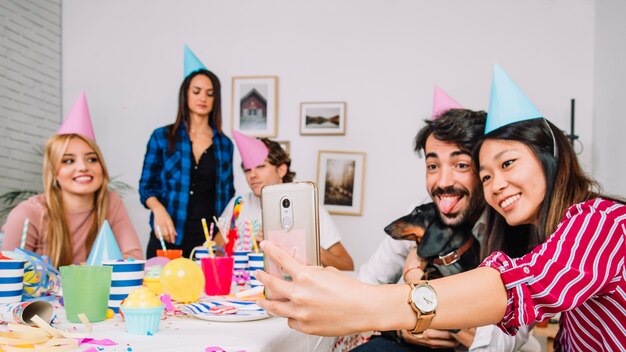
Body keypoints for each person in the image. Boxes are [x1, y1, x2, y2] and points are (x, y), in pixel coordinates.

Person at [255, 66, 625, 351]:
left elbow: (513, 289)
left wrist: (375, 303)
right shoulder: (424, 221)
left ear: (551, 160)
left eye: (507, 164)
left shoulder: (601, 222)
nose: (495, 184)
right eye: (486, 174)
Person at [356, 89, 537, 351]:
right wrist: (401, 329)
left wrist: (421, 300)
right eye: (432, 166)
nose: (442, 182)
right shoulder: (420, 218)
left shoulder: (517, 228)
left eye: (461, 165)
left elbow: (501, 342)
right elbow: (365, 286)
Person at [1, 92, 142, 267]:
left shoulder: (110, 202)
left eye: (92, 159)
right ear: (54, 172)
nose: (83, 167)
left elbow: (133, 257)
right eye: (68, 161)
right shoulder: (29, 213)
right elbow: (7, 272)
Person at [139, 48, 235, 258]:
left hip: (206, 242)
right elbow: (146, 187)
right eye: (197, 91)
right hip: (167, 236)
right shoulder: (162, 137)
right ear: (186, 94)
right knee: (160, 290)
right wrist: (158, 209)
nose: (203, 98)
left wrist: (219, 238)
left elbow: (227, 196)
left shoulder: (224, 145)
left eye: (210, 94)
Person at [216, 131, 354, 270]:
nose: (252, 175)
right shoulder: (239, 204)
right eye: (247, 169)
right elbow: (213, 253)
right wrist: (249, 247)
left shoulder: (310, 207)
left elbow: (348, 266)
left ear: (281, 170)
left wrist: (307, 245)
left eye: (260, 166)